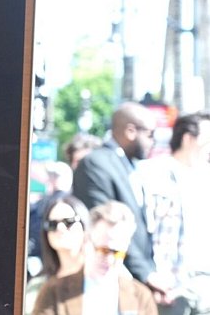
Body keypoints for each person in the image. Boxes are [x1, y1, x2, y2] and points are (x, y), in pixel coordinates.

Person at [72, 101, 160, 292]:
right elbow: (108, 229)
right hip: (110, 280)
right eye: (151, 134)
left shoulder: (127, 164)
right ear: (130, 131)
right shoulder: (96, 164)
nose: (154, 142)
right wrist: (145, 274)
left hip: (135, 281)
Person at [133, 111, 210, 314]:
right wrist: (152, 277)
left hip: (204, 286)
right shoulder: (150, 173)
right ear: (187, 139)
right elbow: (139, 230)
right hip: (167, 287)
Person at [33, 200, 157, 315]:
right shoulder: (54, 292)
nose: (109, 259)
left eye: (117, 253)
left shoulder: (141, 296)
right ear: (87, 242)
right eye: (103, 250)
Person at [23, 192, 89, 315]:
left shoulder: (106, 271)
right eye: (52, 224)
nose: (60, 228)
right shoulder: (37, 286)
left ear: (85, 226)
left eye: (68, 222)